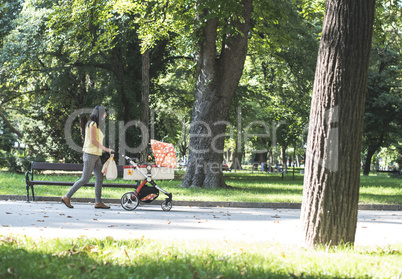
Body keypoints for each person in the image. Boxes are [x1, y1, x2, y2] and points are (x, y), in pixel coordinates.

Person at [61, 106, 114, 209]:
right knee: (85, 178)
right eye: (104, 113)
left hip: (96, 155)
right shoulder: (92, 124)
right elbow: (93, 141)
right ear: (100, 113)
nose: (105, 115)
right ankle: (67, 196)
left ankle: (98, 202)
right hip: (90, 154)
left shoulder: (97, 125)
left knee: (99, 177)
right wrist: (106, 149)